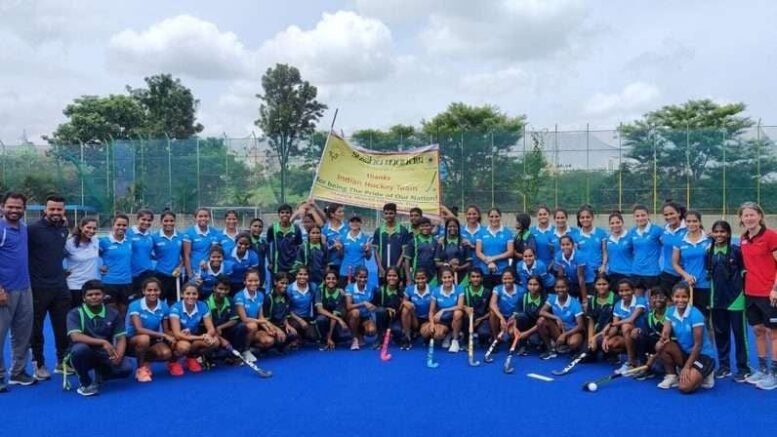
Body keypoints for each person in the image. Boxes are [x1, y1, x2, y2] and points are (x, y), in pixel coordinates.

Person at [28, 194, 71, 380]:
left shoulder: (63, 229)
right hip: (38, 288)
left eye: (59, 209)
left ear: (63, 211)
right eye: (52, 209)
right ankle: (39, 365)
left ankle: (62, 362)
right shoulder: (32, 230)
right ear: (45, 210)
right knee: (36, 330)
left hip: (60, 287)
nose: (55, 212)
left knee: (63, 328)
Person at [65, 280, 132, 396]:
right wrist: (103, 342)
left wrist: (119, 356)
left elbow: (121, 338)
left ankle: (101, 371)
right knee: (80, 350)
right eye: (90, 295)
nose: (94, 297)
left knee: (126, 368)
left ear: (104, 296)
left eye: (97, 294)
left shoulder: (113, 313)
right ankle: (85, 381)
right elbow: (75, 336)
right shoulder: (75, 313)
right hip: (83, 351)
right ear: (84, 298)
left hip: (103, 353)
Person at [737, 202, 777, 389]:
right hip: (751, 293)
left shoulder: (771, 236)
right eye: (745, 215)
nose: (749, 218)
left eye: (752, 214)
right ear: (741, 219)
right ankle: (762, 369)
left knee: (774, 334)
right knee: (758, 331)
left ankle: (775, 373)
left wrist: (775, 289)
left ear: (760, 216)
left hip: (769, 293)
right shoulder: (743, 238)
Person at [0, 192, 36, 390]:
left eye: (18, 207)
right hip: (4, 291)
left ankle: (18, 372)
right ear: (2, 206)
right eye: (10, 206)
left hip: (24, 288)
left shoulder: (23, 229)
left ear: (24, 209)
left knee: (22, 334)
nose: (14, 210)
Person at [707, 220, 750, 381]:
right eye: (716, 232)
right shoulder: (708, 252)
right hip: (716, 300)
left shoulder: (736, 251)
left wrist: (744, 293)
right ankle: (724, 366)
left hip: (736, 299)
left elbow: (745, 273)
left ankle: (743, 367)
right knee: (720, 334)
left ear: (728, 233)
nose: (719, 235)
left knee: (740, 335)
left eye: (722, 232)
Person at [655, 282, 716, 392]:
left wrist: (687, 367)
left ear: (689, 298)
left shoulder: (696, 315)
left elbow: (698, 346)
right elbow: (665, 333)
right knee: (660, 346)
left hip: (703, 356)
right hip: (686, 353)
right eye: (677, 297)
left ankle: (707, 373)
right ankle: (672, 376)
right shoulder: (670, 311)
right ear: (672, 297)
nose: (680, 300)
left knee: (684, 387)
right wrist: (663, 339)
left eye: (684, 297)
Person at [126, 277, 175, 382]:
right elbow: (139, 329)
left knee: (166, 353)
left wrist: (177, 334)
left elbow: (166, 330)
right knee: (144, 338)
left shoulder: (164, 306)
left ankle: (146, 361)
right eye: (149, 290)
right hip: (133, 339)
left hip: (153, 338)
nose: (153, 293)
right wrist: (163, 335)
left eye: (156, 290)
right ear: (143, 291)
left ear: (160, 291)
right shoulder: (135, 305)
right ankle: (140, 369)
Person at [168, 283, 219, 374]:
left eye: (194, 294)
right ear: (182, 294)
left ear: (198, 295)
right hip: (179, 338)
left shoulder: (202, 305)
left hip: (194, 336)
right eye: (188, 293)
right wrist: (201, 337)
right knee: (184, 347)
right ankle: (173, 362)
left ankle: (191, 358)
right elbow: (177, 334)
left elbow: (211, 328)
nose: (191, 296)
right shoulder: (175, 308)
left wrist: (208, 335)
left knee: (215, 342)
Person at [603, 278, 647, 374]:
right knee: (611, 344)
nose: (624, 293)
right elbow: (615, 327)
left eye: (627, 290)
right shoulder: (618, 305)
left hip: (643, 334)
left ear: (633, 290)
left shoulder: (640, 301)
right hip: (628, 336)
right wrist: (606, 337)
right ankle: (632, 361)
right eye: (621, 291)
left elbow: (631, 319)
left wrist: (611, 324)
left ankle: (631, 362)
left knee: (626, 326)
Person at [672, 210, 711, 316]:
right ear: (685, 222)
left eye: (695, 221)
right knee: (688, 316)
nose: (691, 224)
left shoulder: (709, 240)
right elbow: (675, 263)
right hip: (687, 285)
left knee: (705, 317)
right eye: (688, 221)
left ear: (700, 222)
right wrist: (686, 276)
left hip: (705, 285)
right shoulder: (679, 240)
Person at [537, 277, 585, 359]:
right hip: (559, 330)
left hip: (572, 331)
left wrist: (565, 335)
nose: (560, 290)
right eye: (557, 287)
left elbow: (580, 325)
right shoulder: (552, 298)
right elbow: (541, 312)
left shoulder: (575, 303)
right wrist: (556, 318)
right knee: (541, 321)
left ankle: (570, 348)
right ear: (554, 288)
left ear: (567, 288)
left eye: (563, 287)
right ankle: (550, 350)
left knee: (573, 343)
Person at [233, 269, 270, 363]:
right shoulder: (239, 296)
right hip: (239, 327)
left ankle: (252, 348)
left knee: (269, 341)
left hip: (255, 325)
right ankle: (245, 350)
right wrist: (263, 322)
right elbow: (244, 319)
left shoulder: (261, 295)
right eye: (250, 281)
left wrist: (269, 328)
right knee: (252, 325)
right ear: (244, 281)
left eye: (256, 280)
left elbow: (260, 316)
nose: (253, 283)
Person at [99, 214, 133, 317]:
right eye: (118, 224)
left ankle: (121, 332)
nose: (121, 227)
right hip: (109, 282)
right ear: (113, 225)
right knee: (111, 313)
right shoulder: (104, 241)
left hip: (126, 282)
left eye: (124, 225)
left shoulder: (130, 241)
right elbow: (92, 255)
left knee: (123, 311)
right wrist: (100, 266)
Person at [424, 268, 464, 352]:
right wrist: (431, 324)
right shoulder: (436, 291)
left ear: (453, 277)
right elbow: (431, 311)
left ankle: (455, 340)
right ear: (441, 279)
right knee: (426, 332)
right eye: (444, 278)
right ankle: (448, 334)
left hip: (455, 320)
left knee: (458, 313)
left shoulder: (459, 288)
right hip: (442, 321)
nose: (447, 280)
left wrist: (443, 310)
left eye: (449, 277)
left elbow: (460, 306)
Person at [65, 216, 100, 308]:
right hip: (75, 286)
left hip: (91, 286)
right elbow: (55, 258)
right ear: (81, 227)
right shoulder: (69, 243)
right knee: (76, 315)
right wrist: (62, 272)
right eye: (88, 227)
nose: (91, 231)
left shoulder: (95, 241)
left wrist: (104, 266)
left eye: (94, 228)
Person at [475, 208, 515, 289]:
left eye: (496, 216)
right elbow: (478, 252)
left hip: (502, 271)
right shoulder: (481, 232)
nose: (494, 219)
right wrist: (488, 262)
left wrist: (493, 258)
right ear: (488, 217)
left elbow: (510, 252)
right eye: (491, 216)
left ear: (500, 217)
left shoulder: (507, 232)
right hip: (485, 271)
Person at [571, 205, 607, 294]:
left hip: (597, 272)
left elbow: (605, 251)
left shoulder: (601, 233)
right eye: (582, 217)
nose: (585, 219)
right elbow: (575, 254)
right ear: (579, 219)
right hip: (583, 273)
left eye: (588, 217)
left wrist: (603, 265)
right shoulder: (575, 235)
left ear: (592, 217)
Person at [373, 203, 411, 286]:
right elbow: (376, 252)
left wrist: (396, 269)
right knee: (383, 295)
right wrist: (381, 269)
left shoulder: (403, 230)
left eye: (391, 213)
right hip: (382, 272)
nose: (388, 216)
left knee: (398, 296)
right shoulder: (378, 231)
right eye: (386, 213)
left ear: (395, 214)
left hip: (398, 272)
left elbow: (404, 252)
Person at [151, 211, 183, 304]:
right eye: (166, 221)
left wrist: (180, 267)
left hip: (175, 276)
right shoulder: (154, 237)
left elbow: (185, 256)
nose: (169, 223)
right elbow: (148, 254)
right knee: (158, 303)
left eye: (171, 221)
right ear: (161, 222)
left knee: (174, 304)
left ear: (175, 221)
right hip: (160, 275)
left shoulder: (181, 236)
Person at [628, 205, 663, 292]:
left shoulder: (657, 230)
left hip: (652, 272)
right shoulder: (632, 232)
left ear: (648, 215)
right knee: (638, 301)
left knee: (652, 301)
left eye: (643, 215)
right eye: (637, 216)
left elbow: (666, 247)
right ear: (634, 217)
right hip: (636, 271)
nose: (640, 218)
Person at [182, 207, 222, 280]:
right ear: (195, 218)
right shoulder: (189, 233)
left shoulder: (215, 232)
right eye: (200, 216)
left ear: (209, 217)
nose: (203, 218)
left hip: (209, 269)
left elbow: (214, 252)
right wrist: (190, 274)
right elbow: (186, 255)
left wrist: (207, 262)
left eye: (206, 216)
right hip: (194, 270)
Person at [206, 276, 239, 363]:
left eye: (226, 289)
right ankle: (209, 356)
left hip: (224, 330)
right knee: (216, 346)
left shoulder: (230, 300)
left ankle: (235, 354)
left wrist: (220, 327)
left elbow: (234, 320)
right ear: (214, 288)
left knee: (241, 327)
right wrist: (220, 338)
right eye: (220, 288)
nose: (223, 291)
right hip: (211, 332)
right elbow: (207, 326)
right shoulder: (206, 303)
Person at [267, 204, 304, 279]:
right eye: (282, 212)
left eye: (287, 212)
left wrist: (297, 263)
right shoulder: (273, 228)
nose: (285, 214)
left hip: (292, 265)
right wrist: (270, 262)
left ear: (291, 214)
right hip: (277, 266)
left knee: (290, 288)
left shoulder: (296, 229)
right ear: (279, 214)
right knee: (278, 287)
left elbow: (299, 246)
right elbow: (268, 246)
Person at [314, 271, 349, 350]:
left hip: (334, 321)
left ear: (337, 281)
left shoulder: (340, 293)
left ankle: (330, 337)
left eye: (333, 279)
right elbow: (320, 310)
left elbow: (335, 315)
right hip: (324, 318)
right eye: (328, 279)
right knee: (320, 319)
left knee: (339, 338)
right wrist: (339, 319)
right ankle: (323, 339)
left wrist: (329, 337)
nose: (331, 281)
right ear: (324, 281)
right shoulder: (319, 291)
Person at [488, 269, 523, 347]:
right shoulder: (497, 288)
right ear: (502, 279)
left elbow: (522, 308)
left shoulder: (521, 290)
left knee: (511, 333)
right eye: (505, 279)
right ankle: (495, 338)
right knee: (492, 312)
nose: (507, 281)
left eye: (509, 278)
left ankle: (512, 338)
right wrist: (501, 318)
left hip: (514, 317)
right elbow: (492, 304)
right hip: (502, 316)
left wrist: (514, 317)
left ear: (514, 279)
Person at [400, 270, 433, 350]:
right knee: (405, 309)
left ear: (427, 279)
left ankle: (425, 335)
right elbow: (402, 304)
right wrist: (405, 303)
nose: (420, 280)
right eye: (418, 278)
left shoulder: (433, 290)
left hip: (427, 318)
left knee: (425, 333)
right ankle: (407, 338)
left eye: (423, 278)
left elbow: (434, 308)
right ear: (414, 279)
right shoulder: (409, 289)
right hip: (415, 318)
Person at [512, 275, 545, 355]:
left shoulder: (545, 299)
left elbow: (543, 320)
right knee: (520, 317)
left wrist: (526, 334)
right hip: (526, 325)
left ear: (540, 286)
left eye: (535, 284)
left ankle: (543, 344)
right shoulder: (523, 297)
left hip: (538, 327)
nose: (532, 287)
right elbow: (515, 316)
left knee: (535, 341)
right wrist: (514, 328)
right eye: (530, 284)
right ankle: (523, 345)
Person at [345, 266, 377, 350]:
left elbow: (376, 303)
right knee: (356, 312)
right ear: (355, 277)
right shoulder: (349, 287)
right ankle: (354, 338)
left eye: (365, 277)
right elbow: (348, 306)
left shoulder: (372, 287)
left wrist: (374, 306)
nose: (363, 279)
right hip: (352, 316)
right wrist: (363, 303)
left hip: (366, 317)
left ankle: (360, 334)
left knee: (371, 331)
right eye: (360, 277)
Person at [660, 201, 687, 295]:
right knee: (668, 304)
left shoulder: (689, 228)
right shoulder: (664, 230)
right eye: (666, 214)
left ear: (679, 213)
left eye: (671, 213)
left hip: (685, 274)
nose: (669, 217)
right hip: (668, 273)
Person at [586, 275, 616, 361]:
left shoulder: (615, 299)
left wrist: (599, 337)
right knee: (586, 356)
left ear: (609, 285)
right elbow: (591, 321)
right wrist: (590, 339)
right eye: (599, 284)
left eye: (604, 284)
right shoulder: (592, 300)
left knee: (610, 346)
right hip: (597, 332)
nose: (601, 286)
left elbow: (615, 323)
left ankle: (613, 353)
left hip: (611, 332)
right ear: (595, 286)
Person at [262, 274, 295, 352]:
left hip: (280, 324)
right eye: (282, 283)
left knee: (293, 334)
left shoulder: (287, 297)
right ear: (275, 282)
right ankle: (257, 347)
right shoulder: (268, 298)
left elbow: (285, 314)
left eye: (286, 283)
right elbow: (265, 320)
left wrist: (287, 325)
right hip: (268, 325)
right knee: (270, 340)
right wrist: (277, 330)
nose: (284, 286)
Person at [371, 266, 404, 346]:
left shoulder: (402, 292)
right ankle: (380, 337)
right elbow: (373, 307)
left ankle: (396, 336)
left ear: (398, 277)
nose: (391, 278)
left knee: (397, 330)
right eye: (389, 275)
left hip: (396, 319)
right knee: (380, 311)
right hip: (383, 319)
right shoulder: (379, 290)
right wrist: (386, 309)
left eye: (394, 276)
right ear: (386, 277)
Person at [287, 267, 319, 345]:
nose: (302, 277)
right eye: (300, 274)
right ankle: (296, 339)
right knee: (292, 334)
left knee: (313, 337)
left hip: (307, 318)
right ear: (296, 275)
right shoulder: (289, 289)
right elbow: (287, 309)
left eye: (305, 274)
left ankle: (301, 338)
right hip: (294, 318)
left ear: (308, 276)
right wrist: (300, 320)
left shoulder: (313, 287)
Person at [552, 235, 587, 302]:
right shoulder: (558, 256)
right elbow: (561, 276)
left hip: (585, 281)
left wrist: (584, 299)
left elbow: (581, 278)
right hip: (571, 282)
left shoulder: (579, 256)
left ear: (573, 245)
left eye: (568, 244)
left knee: (584, 302)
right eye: (563, 245)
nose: (565, 247)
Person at [462, 268, 492, 346]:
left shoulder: (487, 292)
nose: (475, 279)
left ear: (482, 278)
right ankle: (466, 341)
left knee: (484, 333)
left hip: (482, 319)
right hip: (468, 319)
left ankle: (483, 338)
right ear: (469, 279)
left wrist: (481, 319)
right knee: (462, 316)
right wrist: (465, 307)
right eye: (473, 277)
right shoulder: (464, 291)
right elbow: (458, 305)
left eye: (478, 277)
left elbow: (491, 311)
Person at [128, 209, 155, 297]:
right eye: (143, 219)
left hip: (148, 274)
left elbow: (150, 254)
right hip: (133, 275)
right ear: (138, 219)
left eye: (149, 220)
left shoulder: (150, 235)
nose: (146, 222)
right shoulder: (128, 233)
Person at [405, 217, 439, 285]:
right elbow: (407, 260)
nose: (425, 228)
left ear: (431, 227)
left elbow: (436, 262)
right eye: (422, 226)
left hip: (432, 277)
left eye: (427, 226)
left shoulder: (435, 242)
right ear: (418, 228)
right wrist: (408, 278)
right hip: (417, 277)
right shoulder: (413, 241)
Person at [602, 211, 632, 286]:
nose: (615, 225)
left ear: (622, 222)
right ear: (609, 225)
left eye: (618, 222)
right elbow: (605, 253)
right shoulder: (607, 239)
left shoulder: (630, 236)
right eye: (612, 223)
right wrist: (604, 265)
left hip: (628, 274)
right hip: (612, 274)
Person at [340, 216, 371, 286]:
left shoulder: (365, 238)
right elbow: (340, 255)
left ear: (360, 224)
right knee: (343, 294)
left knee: (358, 294)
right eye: (352, 221)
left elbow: (368, 257)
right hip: (345, 271)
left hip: (359, 273)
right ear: (349, 224)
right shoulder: (342, 237)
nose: (355, 223)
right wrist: (340, 249)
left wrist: (367, 250)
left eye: (357, 221)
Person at [294, 224, 328, 289]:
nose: (315, 235)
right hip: (307, 280)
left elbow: (326, 265)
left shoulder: (324, 247)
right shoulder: (303, 247)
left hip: (321, 279)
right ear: (309, 234)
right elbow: (299, 265)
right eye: (313, 233)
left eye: (318, 233)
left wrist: (325, 279)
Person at [322, 203, 347, 278]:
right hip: (331, 265)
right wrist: (333, 246)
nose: (342, 214)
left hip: (345, 264)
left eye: (342, 211)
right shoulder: (325, 229)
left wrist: (342, 247)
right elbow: (323, 248)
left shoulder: (348, 227)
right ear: (332, 214)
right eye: (339, 212)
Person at [248, 218, 269, 284]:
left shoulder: (264, 242)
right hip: (248, 272)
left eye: (260, 227)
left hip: (261, 272)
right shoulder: (246, 241)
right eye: (255, 226)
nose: (257, 228)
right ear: (250, 227)